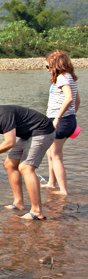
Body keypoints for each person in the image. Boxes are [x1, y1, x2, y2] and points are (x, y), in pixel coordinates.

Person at [43, 50, 80, 196]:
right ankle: (52, 183)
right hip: (68, 119)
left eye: (48, 67)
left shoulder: (62, 78)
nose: (48, 70)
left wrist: (58, 117)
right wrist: (71, 116)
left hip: (60, 120)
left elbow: (69, 98)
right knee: (50, 152)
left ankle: (63, 191)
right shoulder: (70, 78)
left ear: (56, 65)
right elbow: (77, 101)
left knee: (56, 155)